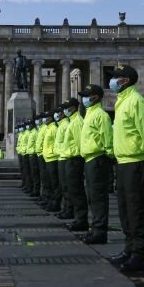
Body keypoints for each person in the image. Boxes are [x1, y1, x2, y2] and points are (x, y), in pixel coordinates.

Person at [107, 64, 144, 272]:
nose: (110, 81)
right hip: (123, 163)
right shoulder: (123, 102)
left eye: (115, 78)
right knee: (125, 211)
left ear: (125, 80)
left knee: (136, 210)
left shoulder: (136, 101)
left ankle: (140, 255)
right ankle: (129, 249)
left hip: (136, 162)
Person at [79, 84, 114, 244]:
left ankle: (100, 231)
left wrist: (107, 156)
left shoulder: (101, 115)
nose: (84, 98)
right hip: (89, 159)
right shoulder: (89, 114)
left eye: (87, 95)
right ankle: (95, 229)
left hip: (98, 158)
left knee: (98, 197)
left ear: (96, 97)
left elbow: (107, 139)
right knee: (92, 197)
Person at [62, 98, 87, 232]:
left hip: (75, 159)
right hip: (70, 159)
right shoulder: (73, 121)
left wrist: (79, 160)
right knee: (73, 190)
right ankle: (78, 218)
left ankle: (81, 220)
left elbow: (79, 142)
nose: (65, 110)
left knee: (77, 191)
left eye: (67, 107)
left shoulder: (77, 122)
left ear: (73, 108)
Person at [53, 105, 72, 219]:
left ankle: (69, 210)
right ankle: (65, 209)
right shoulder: (61, 125)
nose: (58, 114)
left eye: (59, 112)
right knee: (63, 186)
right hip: (60, 156)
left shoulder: (66, 125)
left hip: (66, 157)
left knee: (67, 187)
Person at [42, 111, 60, 212]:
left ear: (50, 118)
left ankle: (55, 203)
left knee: (54, 183)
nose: (44, 119)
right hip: (48, 158)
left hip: (53, 158)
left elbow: (56, 143)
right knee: (49, 182)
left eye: (46, 117)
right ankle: (50, 201)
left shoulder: (53, 129)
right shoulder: (49, 128)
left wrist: (54, 152)